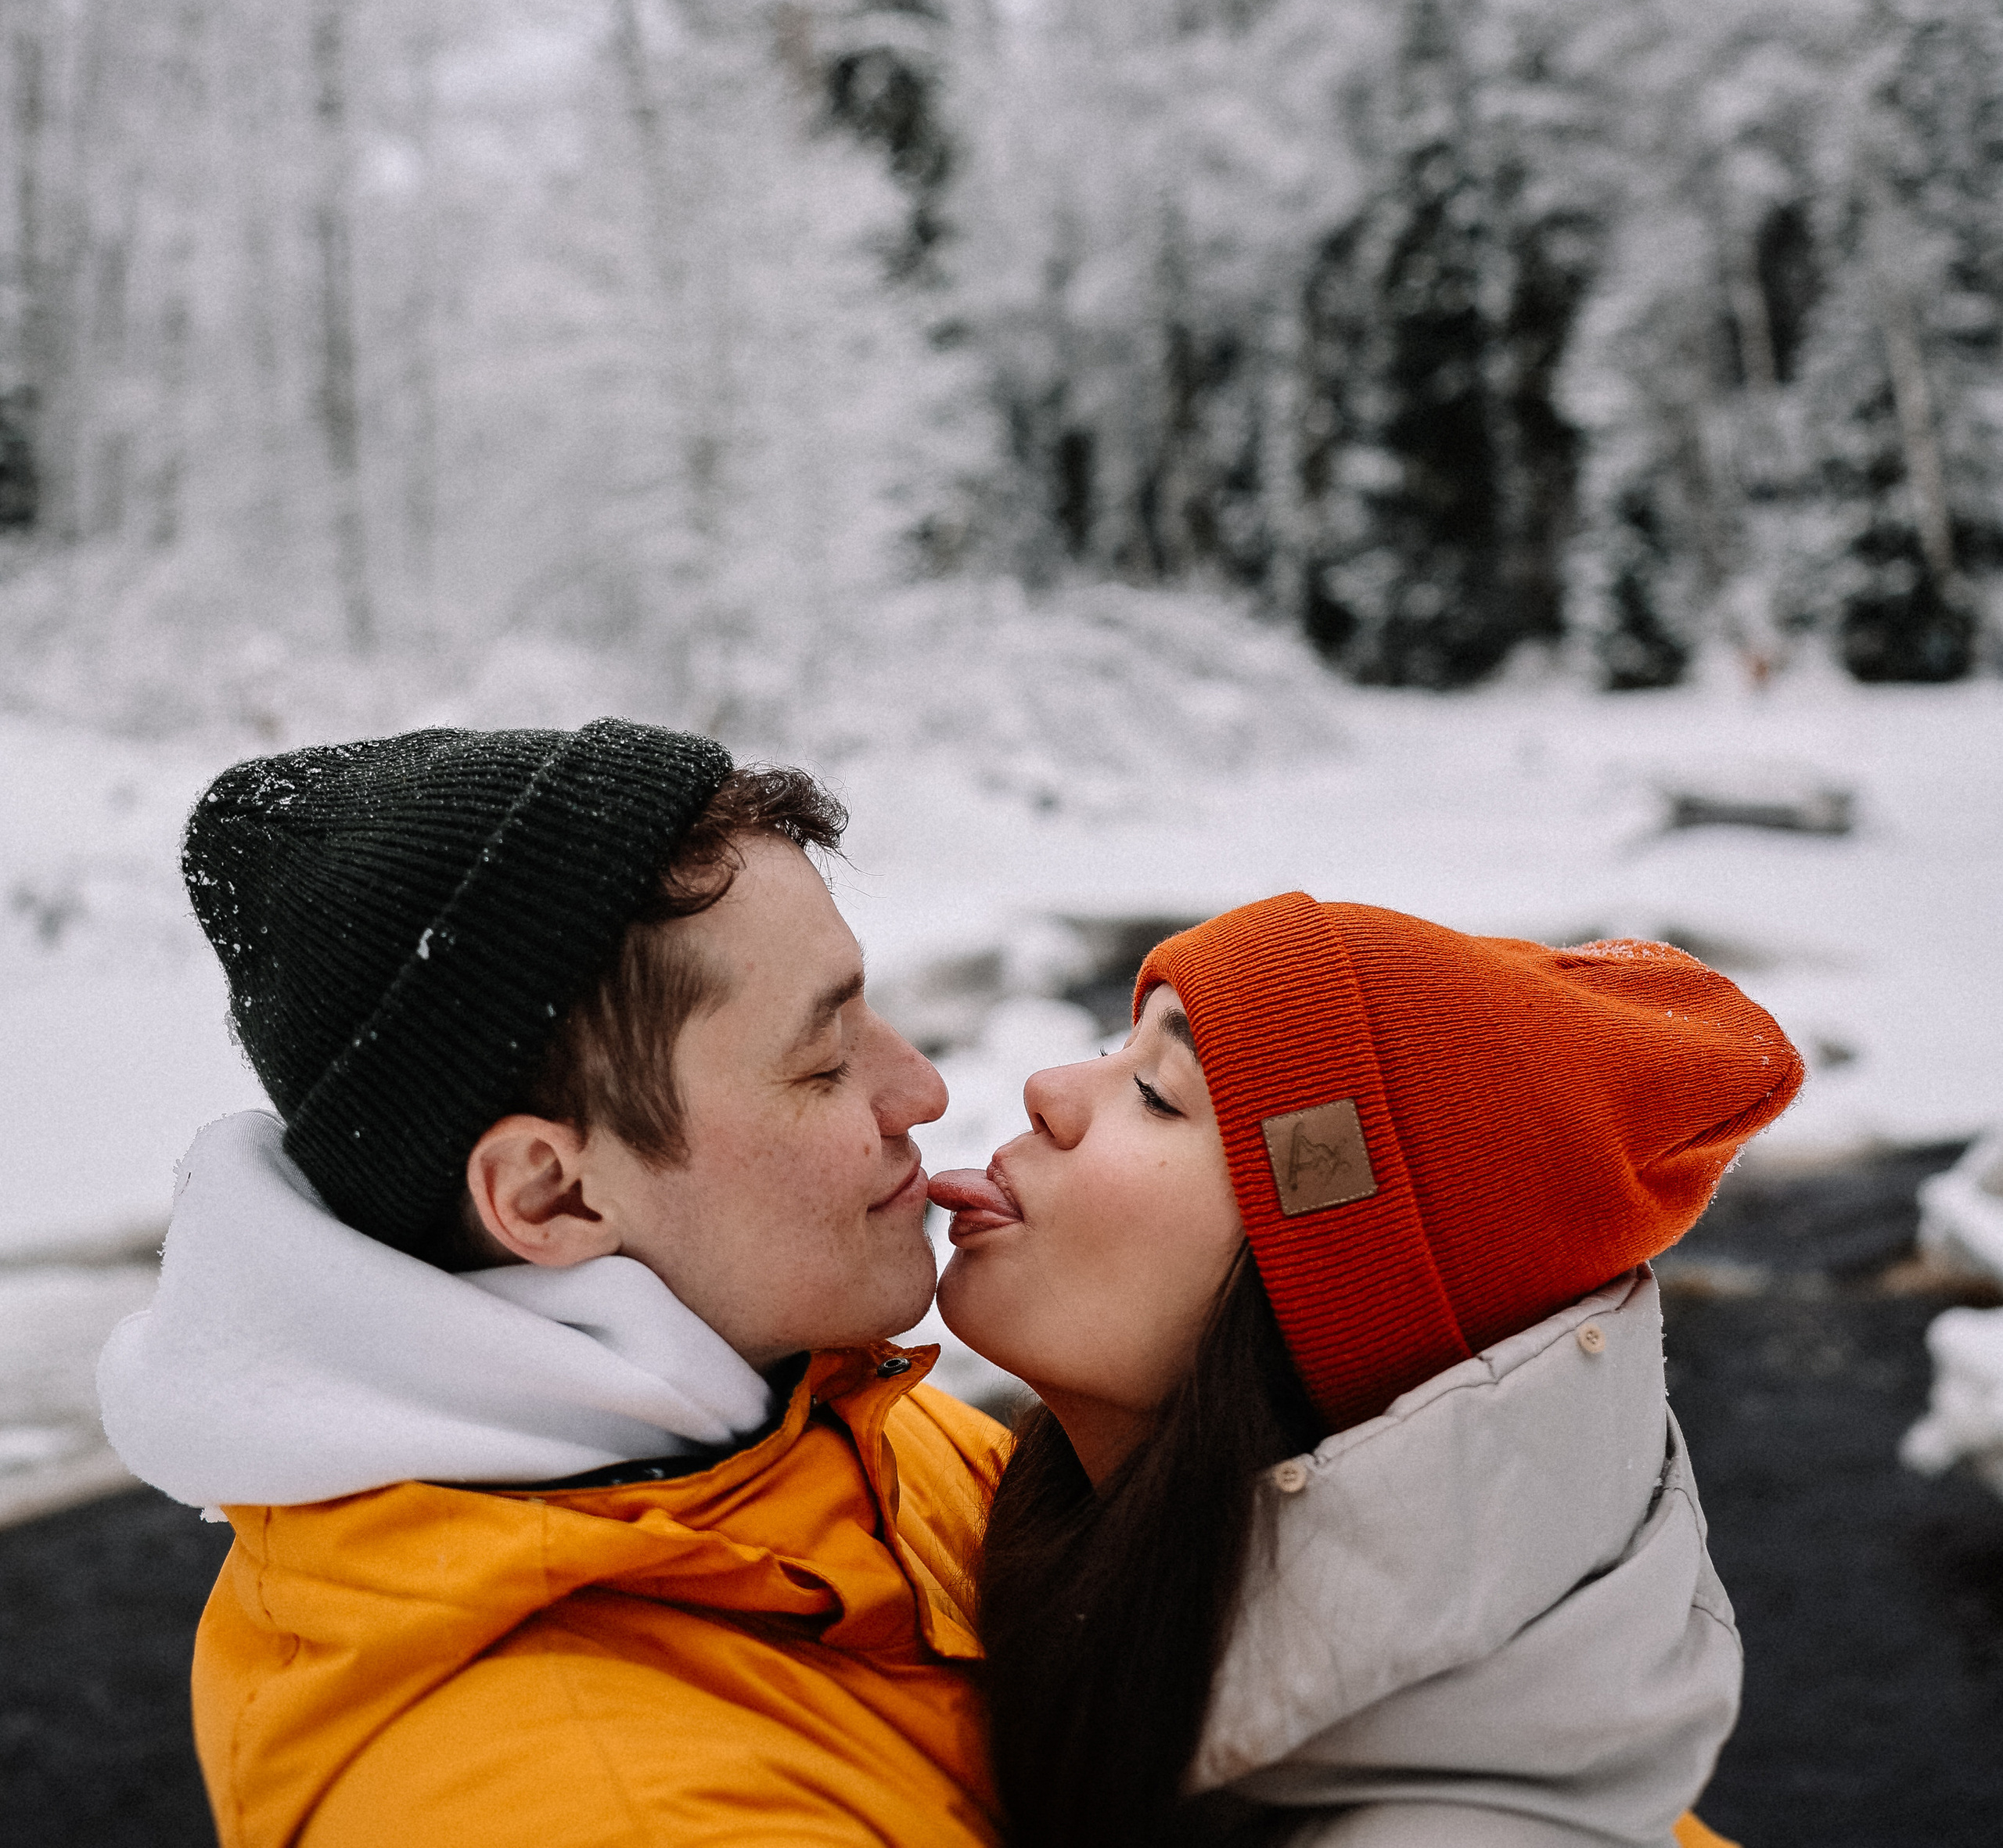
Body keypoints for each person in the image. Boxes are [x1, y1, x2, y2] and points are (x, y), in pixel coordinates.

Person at [99, 721, 1006, 1848]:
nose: (921, 1089)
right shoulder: (597, 1805)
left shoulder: (814, 1407)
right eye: (822, 1063)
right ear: (551, 1198)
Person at [932, 892, 1805, 1848]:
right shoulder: (975, 1523)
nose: (1048, 1086)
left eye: (1156, 1094)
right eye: (1115, 1048)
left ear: (1322, 1293)